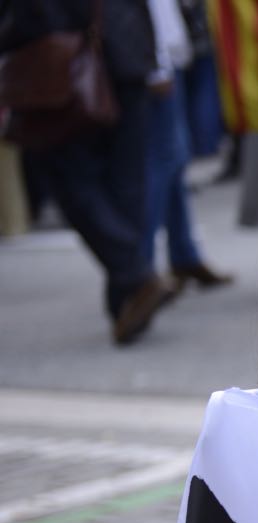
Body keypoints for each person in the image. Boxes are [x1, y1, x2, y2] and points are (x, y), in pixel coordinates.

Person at [0, 0, 175, 342]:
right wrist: (157, 59)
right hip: (124, 52)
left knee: (70, 180)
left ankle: (134, 277)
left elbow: (30, 15)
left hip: (67, 63)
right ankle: (127, 298)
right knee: (125, 184)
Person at [144, 0, 232, 289]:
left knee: (173, 160)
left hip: (165, 58)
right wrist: (157, 65)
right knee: (163, 161)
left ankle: (183, 253)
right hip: (155, 59)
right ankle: (139, 271)